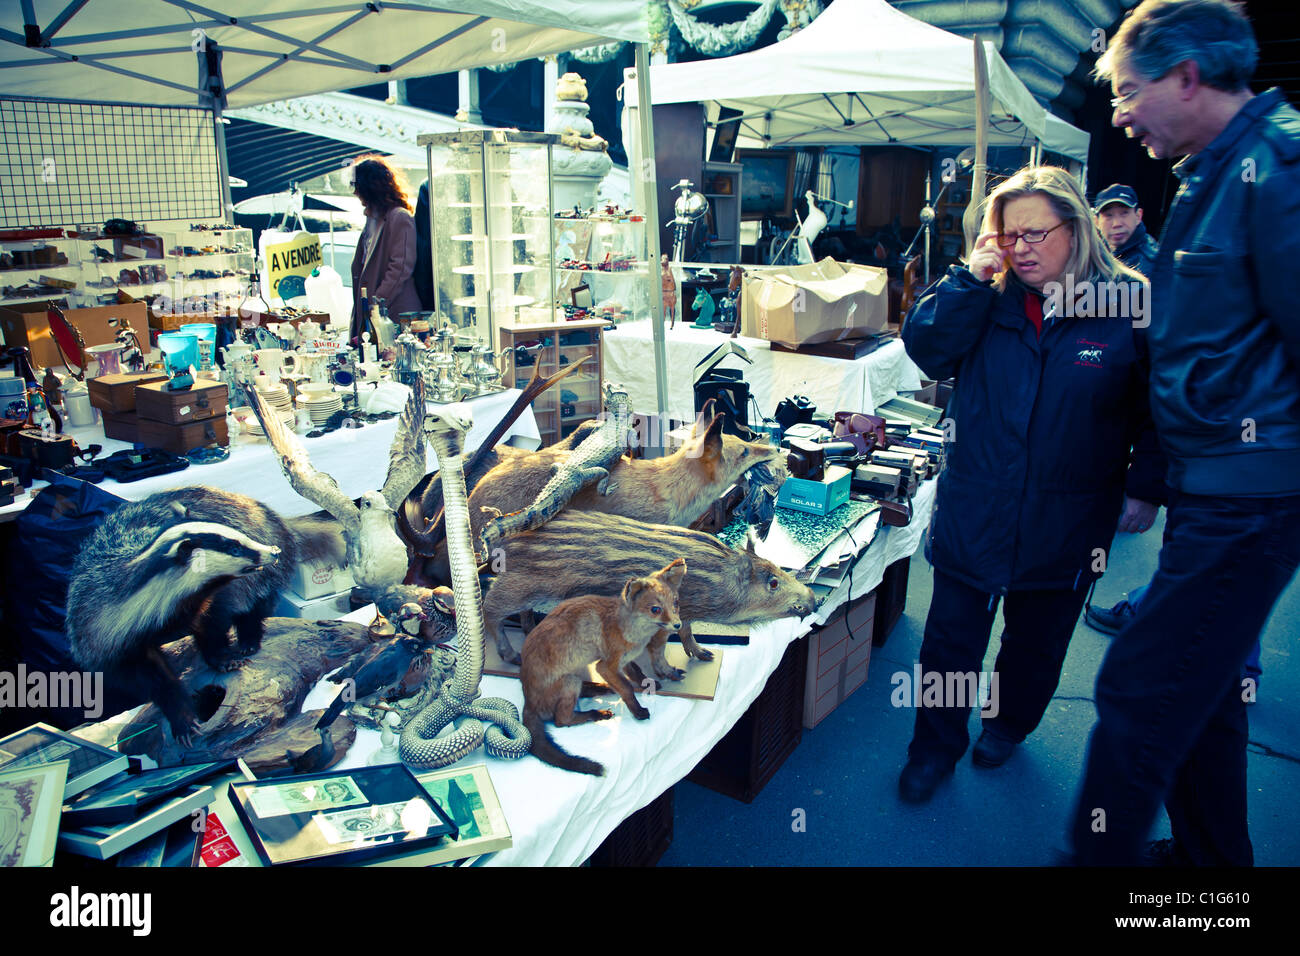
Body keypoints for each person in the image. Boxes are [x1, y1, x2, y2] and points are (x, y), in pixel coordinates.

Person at [1071, 0, 1300, 866]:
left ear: (1187, 78)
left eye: (1129, 92)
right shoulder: (1217, 170)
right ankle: (1213, 870)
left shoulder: (1279, 169)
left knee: (1143, 687)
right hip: (1220, 491)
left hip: (1253, 497)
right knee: (1203, 693)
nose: (1120, 114)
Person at [897, 166, 1163, 803]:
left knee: (1036, 642)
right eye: (1008, 234)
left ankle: (1008, 725)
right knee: (951, 643)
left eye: (1035, 234)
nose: (1020, 247)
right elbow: (927, 349)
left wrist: (1145, 484)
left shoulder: (1128, 300)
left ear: (1075, 230)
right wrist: (968, 276)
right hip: (977, 501)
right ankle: (933, 749)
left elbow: (1159, 407)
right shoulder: (982, 293)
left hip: (1069, 514)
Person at [349, 155, 422, 344]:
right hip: (376, 313)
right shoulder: (373, 220)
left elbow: (399, 269)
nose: (356, 194)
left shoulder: (399, 217)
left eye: (358, 189)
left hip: (394, 313)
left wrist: (374, 308)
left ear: (370, 189)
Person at [1093, 184, 1158, 274]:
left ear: (1138, 216)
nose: (1117, 224)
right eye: (1108, 215)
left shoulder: (1150, 263)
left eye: (1124, 213)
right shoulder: (1092, 254)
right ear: (1096, 222)